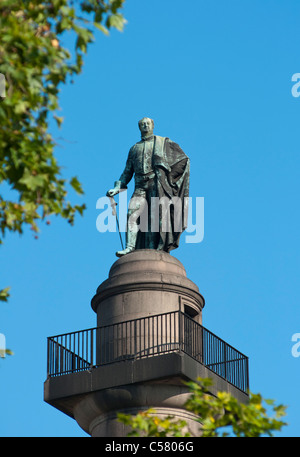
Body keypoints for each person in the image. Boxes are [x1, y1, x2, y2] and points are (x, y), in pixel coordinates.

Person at [106, 117, 190, 257]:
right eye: (142, 124)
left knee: (153, 218)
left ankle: (152, 250)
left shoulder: (163, 143)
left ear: (153, 126)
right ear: (139, 127)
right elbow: (127, 172)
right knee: (131, 213)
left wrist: (169, 178)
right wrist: (117, 188)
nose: (145, 126)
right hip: (140, 185)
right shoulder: (134, 149)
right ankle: (130, 247)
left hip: (156, 184)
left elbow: (183, 160)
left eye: (148, 123)